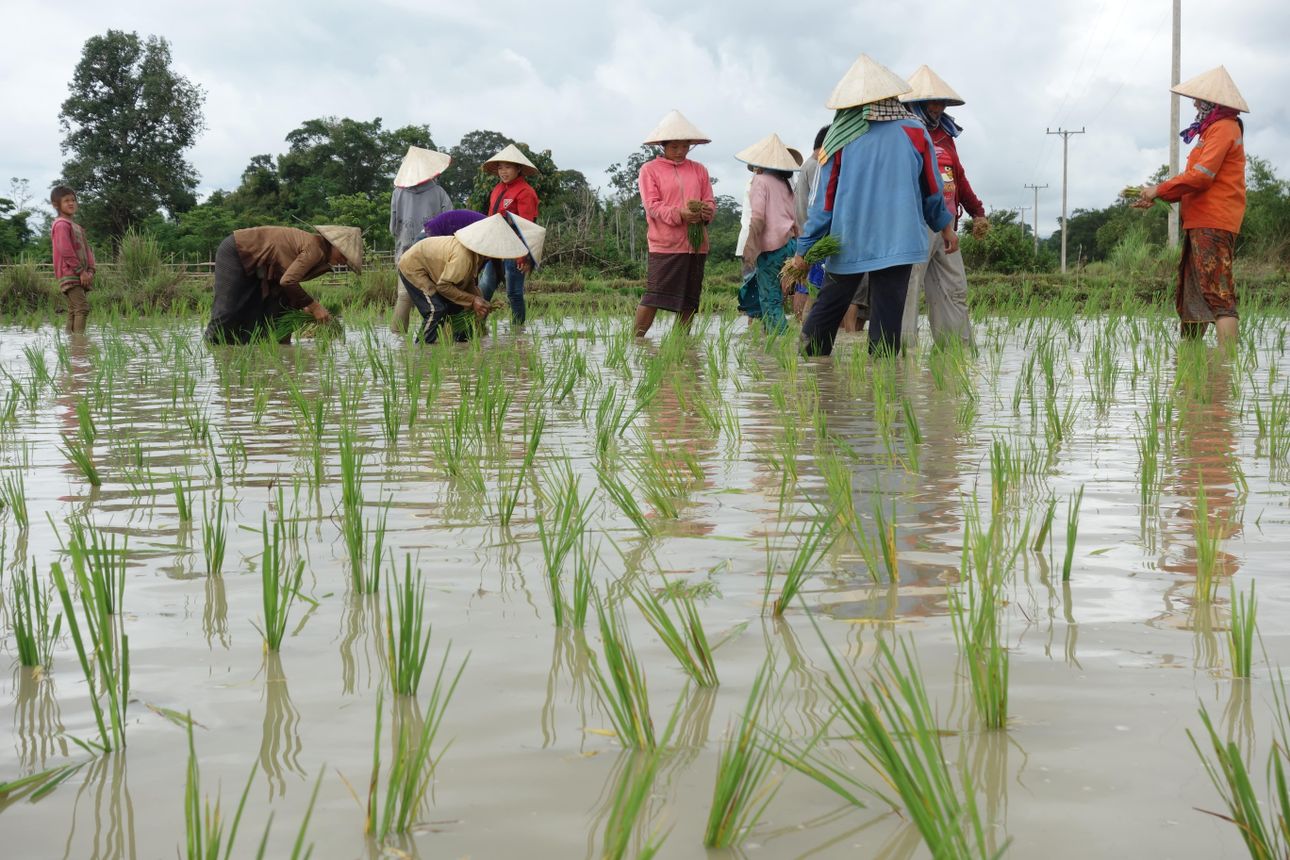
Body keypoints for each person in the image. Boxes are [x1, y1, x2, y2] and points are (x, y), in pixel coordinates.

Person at [794, 54, 956, 357]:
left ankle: (810, 382)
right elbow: (932, 189)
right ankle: (883, 395)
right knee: (886, 331)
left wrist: (804, 250)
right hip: (899, 241)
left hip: (848, 241)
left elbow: (823, 204)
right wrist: (945, 227)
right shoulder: (915, 130)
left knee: (823, 319)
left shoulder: (838, 138)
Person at [1134, 65, 1248, 344]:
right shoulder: (1209, 132)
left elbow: (1200, 177)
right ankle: (1191, 362)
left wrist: (1158, 189)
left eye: (1199, 99)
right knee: (1193, 294)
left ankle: (1226, 367)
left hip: (1214, 221)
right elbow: (1191, 180)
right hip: (1199, 221)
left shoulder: (1224, 128)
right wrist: (1158, 195)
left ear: (1213, 102)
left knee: (1218, 293)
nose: (1195, 103)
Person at [899, 65, 986, 349]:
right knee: (909, 291)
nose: (938, 108)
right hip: (916, 225)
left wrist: (977, 212)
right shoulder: (904, 133)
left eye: (941, 103)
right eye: (932, 103)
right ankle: (904, 356)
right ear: (918, 104)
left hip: (947, 226)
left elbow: (958, 177)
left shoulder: (946, 136)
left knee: (954, 288)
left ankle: (956, 353)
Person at [398, 213, 543, 344]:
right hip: (414, 267)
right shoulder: (464, 257)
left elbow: (467, 283)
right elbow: (444, 286)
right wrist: (473, 300)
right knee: (436, 310)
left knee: (461, 308)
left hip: (435, 269)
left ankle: (461, 344)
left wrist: (480, 299)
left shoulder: (478, 255)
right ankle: (421, 350)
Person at [205, 225, 362, 344]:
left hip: (267, 272)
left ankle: (273, 356)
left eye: (347, 258)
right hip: (237, 251)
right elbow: (288, 281)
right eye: (343, 254)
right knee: (229, 311)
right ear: (332, 244)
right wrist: (314, 306)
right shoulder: (315, 249)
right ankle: (210, 348)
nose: (343, 260)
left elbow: (285, 278)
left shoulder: (320, 255)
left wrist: (303, 305)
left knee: (272, 315)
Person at [635, 110, 716, 337]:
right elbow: (652, 205)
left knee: (690, 299)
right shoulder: (649, 170)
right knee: (654, 295)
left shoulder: (699, 170)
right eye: (674, 147)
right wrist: (680, 214)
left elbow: (709, 200)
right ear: (663, 146)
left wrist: (705, 212)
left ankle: (681, 346)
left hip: (696, 244)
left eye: (684, 146)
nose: (680, 152)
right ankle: (635, 341)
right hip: (665, 244)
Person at [734, 133, 800, 334]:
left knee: (770, 300)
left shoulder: (760, 181)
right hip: (789, 244)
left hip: (772, 249)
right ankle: (773, 344)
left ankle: (780, 346)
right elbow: (796, 218)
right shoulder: (785, 183)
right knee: (777, 297)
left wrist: (750, 248)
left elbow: (758, 217)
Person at [389, 146, 453, 334]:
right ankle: (443, 337)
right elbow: (450, 222)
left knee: (403, 296)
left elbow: (393, 227)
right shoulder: (439, 192)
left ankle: (398, 339)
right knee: (439, 295)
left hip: (405, 251)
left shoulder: (397, 193)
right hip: (433, 252)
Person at [479, 144, 540, 326]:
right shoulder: (497, 189)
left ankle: (518, 331)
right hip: (495, 247)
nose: (503, 171)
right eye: (500, 167)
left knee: (514, 292)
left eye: (507, 167)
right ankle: (474, 325)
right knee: (485, 288)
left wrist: (524, 255)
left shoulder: (525, 192)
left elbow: (526, 226)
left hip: (515, 248)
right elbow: (491, 219)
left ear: (518, 168)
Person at [794, 126, 830, 323]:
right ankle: (808, 329)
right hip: (816, 235)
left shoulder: (806, 165)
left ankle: (800, 327)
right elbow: (820, 205)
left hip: (805, 233)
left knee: (804, 284)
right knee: (814, 287)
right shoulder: (818, 166)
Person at [49, 185, 96, 334]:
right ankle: (79, 346)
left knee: (73, 310)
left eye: (73, 200)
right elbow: (65, 249)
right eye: (66, 201)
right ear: (56, 205)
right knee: (82, 308)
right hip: (70, 273)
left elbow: (87, 250)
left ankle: (71, 345)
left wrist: (90, 270)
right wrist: (80, 271)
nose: (71, 203)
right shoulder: (61, 225)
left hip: (80, 273)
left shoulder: (77, 227)